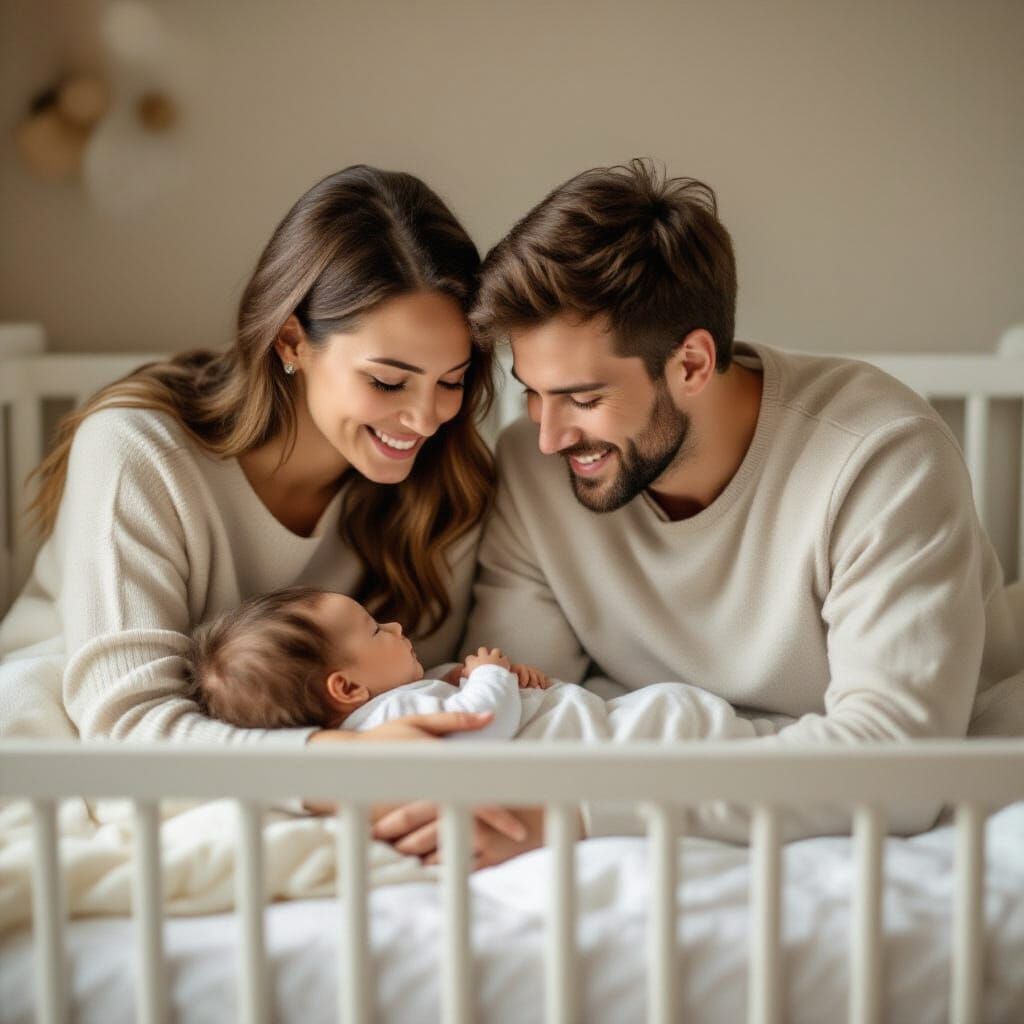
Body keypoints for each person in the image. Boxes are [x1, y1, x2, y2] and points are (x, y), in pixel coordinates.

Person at [420, 157, 1021, 847]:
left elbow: (894, 768)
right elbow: (521, 708)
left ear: (694, 364)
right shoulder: (533, 468)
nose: (548, 435)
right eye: (531, 390)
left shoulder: (882, 457)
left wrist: (585, 809)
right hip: (726, 794)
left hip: (954, 793)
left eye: (583, 398)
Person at [0, 165, 531, 857]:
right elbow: (127, 728)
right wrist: (344, 767)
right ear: (290, 343)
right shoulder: (139, 450)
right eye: (387, 380)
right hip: (67, 736)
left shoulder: (442, 481)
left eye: (452, 381)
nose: (425, 416)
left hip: (278, 762)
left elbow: (418, 686)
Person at [185, 587, 770, 761]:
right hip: (601, 742)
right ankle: (775, 754)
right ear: (347, 688)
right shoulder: (386, 722)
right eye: (373, 630)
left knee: (682, 713)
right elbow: (480, 731)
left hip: (583, 725)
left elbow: (457, 703)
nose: (393, 625)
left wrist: (499, 678)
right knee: (675, 711)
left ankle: (766, 748)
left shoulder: (397, 706)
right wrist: (489, 678)